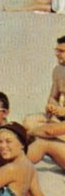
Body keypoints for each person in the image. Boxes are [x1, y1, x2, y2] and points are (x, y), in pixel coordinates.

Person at [24, 35, 65, 168]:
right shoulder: (58, 70)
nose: (56, 54)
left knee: (44, 138)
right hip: (60, 118)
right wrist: (52, 106)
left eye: (61, 51)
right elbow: (53, 96)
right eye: (56, 50)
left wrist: (29, 133)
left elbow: (51, 131)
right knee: (28, 122)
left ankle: (14, 170)